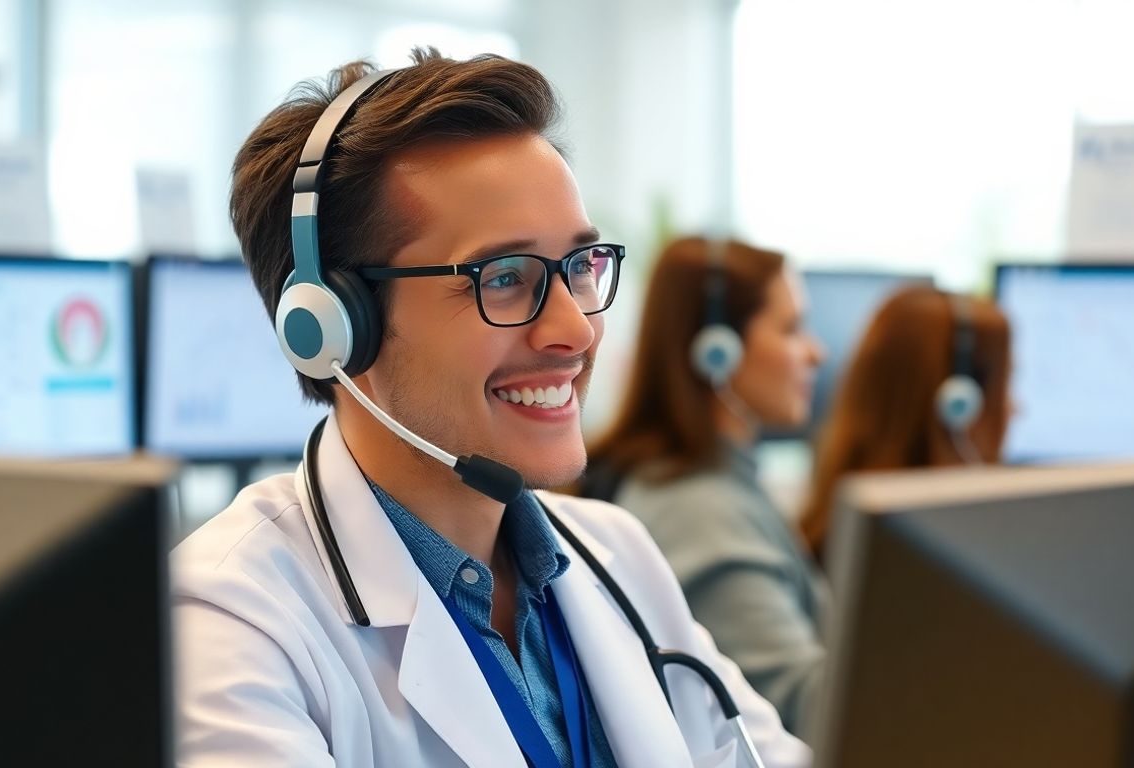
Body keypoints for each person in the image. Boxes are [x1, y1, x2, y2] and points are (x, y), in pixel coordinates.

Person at [171, 50, 810, 768]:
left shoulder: (615, 555)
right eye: (504, 278)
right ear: (332, 326)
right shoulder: (232, 620)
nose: (576, 329)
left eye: (580, 266)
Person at [583, 237, 829, 739]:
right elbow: (808, 708)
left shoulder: (723, 481)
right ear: (717, 351)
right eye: (791, 329)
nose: (815, 352)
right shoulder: (698, 508)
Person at [799, 284, 1012, 559]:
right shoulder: (944, 563)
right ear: (959, 405)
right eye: (1006, 388)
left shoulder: (828, 540)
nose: (1013, 408)